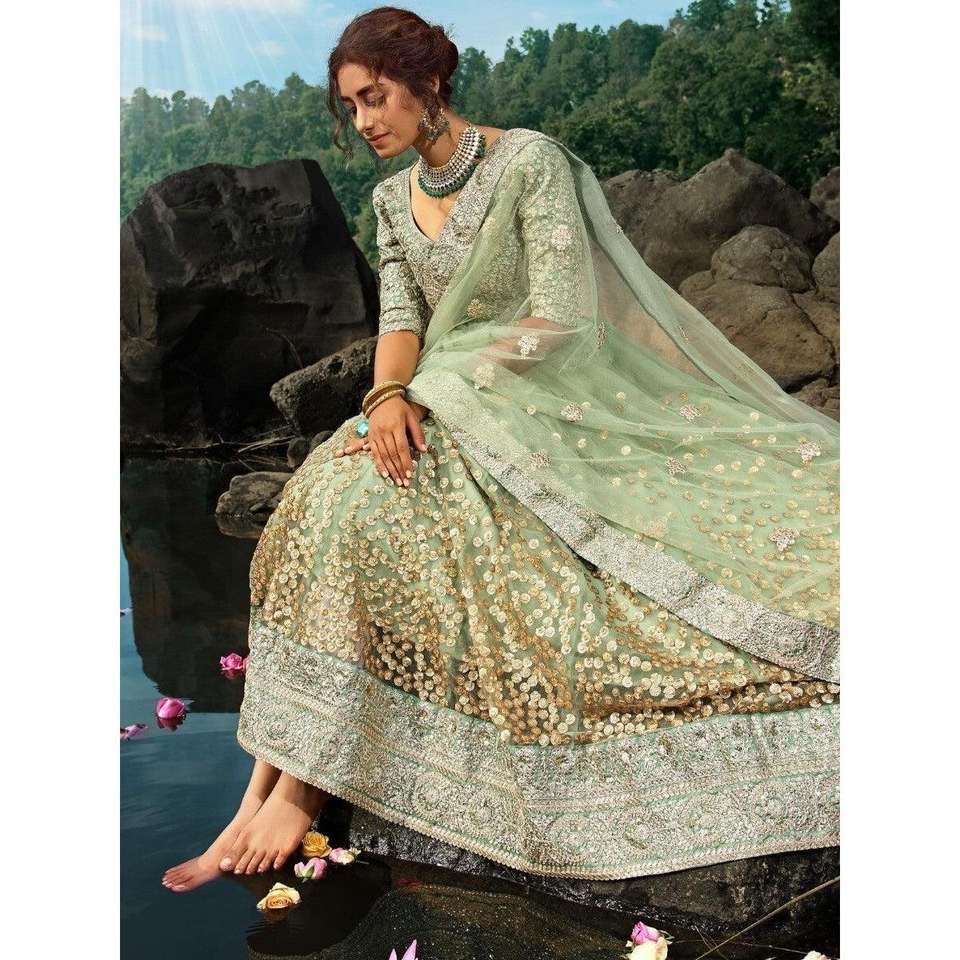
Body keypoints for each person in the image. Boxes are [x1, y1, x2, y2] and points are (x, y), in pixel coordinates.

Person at [163, 6, 839, 892]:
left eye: (375, 97)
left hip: (539, 395)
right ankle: (262, 790)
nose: (363, 121)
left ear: (428, 82)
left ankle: (296, 791)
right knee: (319, 495)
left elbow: (561, 312)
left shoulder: (529, 162)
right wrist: (387, 395)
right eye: (351, 107)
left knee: (372, 504)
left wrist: (445, 389)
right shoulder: (390, 200)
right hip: (430, 396)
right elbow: (400, 321)